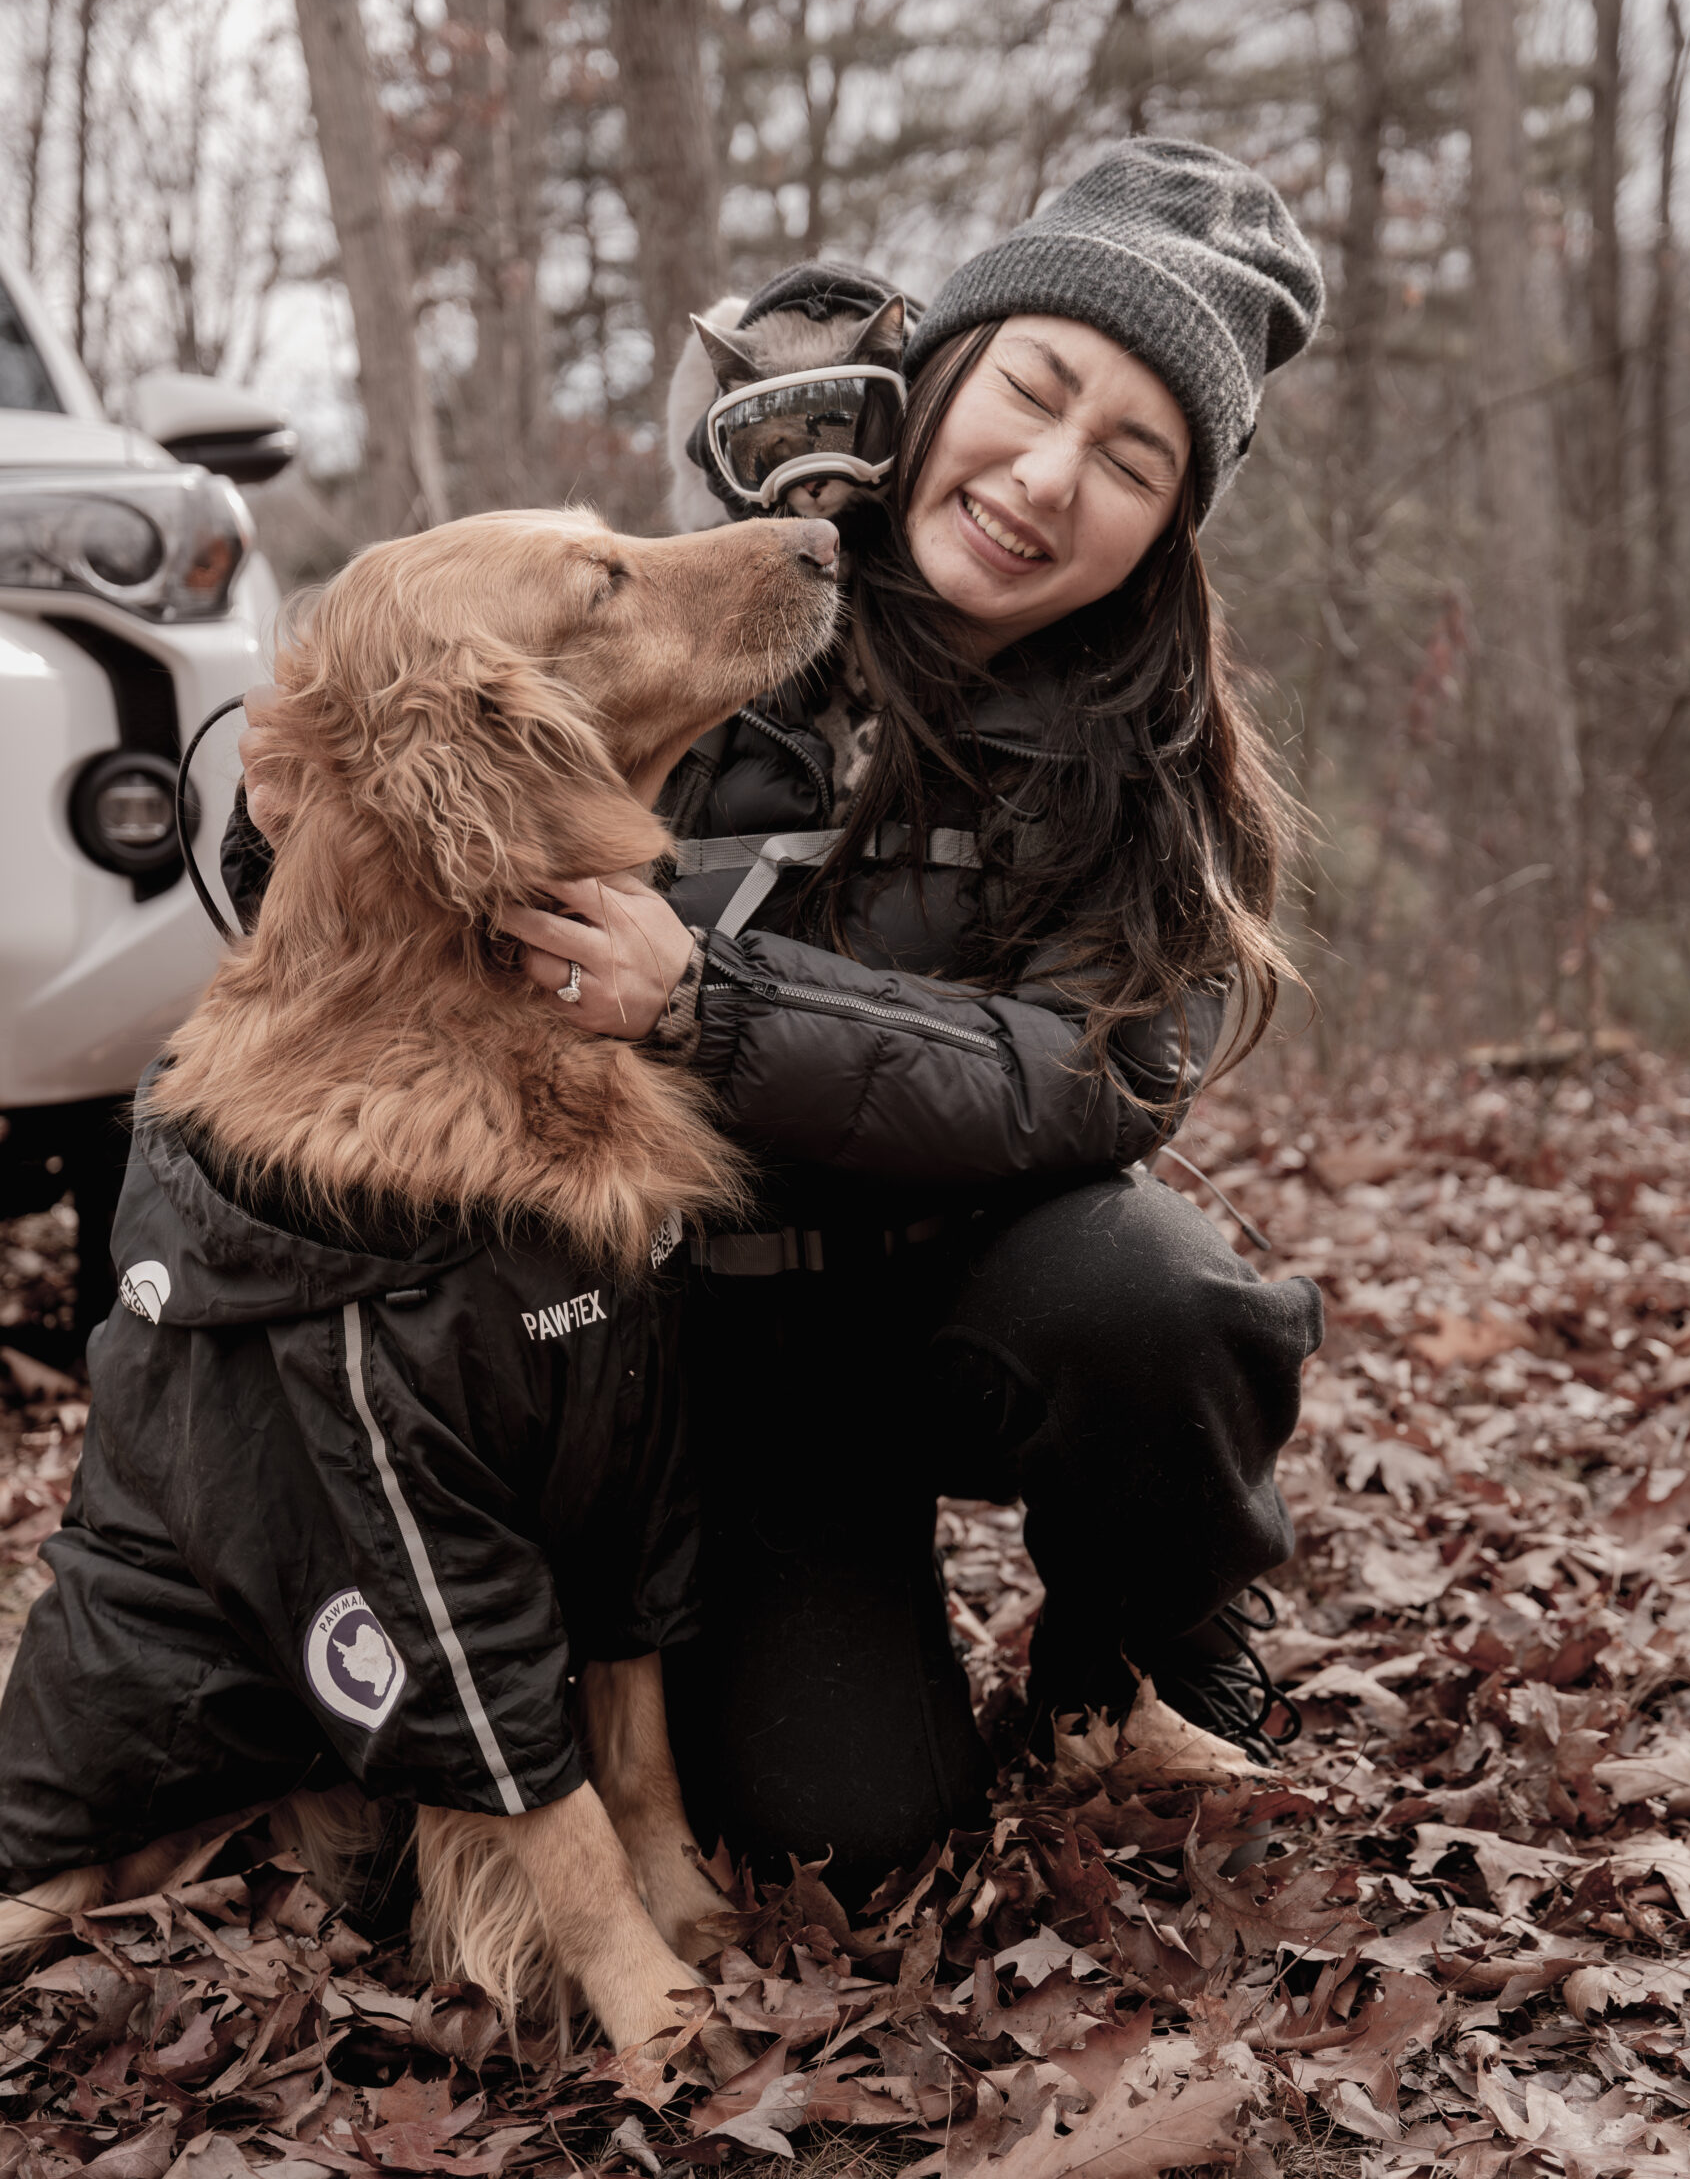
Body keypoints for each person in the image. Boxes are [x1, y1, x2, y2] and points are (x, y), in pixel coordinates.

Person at [234, 138, 1328, 1892]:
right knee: (848, 1831)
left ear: (1172, 524)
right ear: (939, 376)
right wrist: (281, 810)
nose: (1048, 479)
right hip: (682, 1358)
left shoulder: (1155, 763)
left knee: (1160, 1297)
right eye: (1032, 390)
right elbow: (411, 787)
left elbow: (1091, 1078)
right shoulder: (730, 596)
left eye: (1132, 458)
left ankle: (1126, 1661)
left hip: (951, 1304)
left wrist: (708, 999)